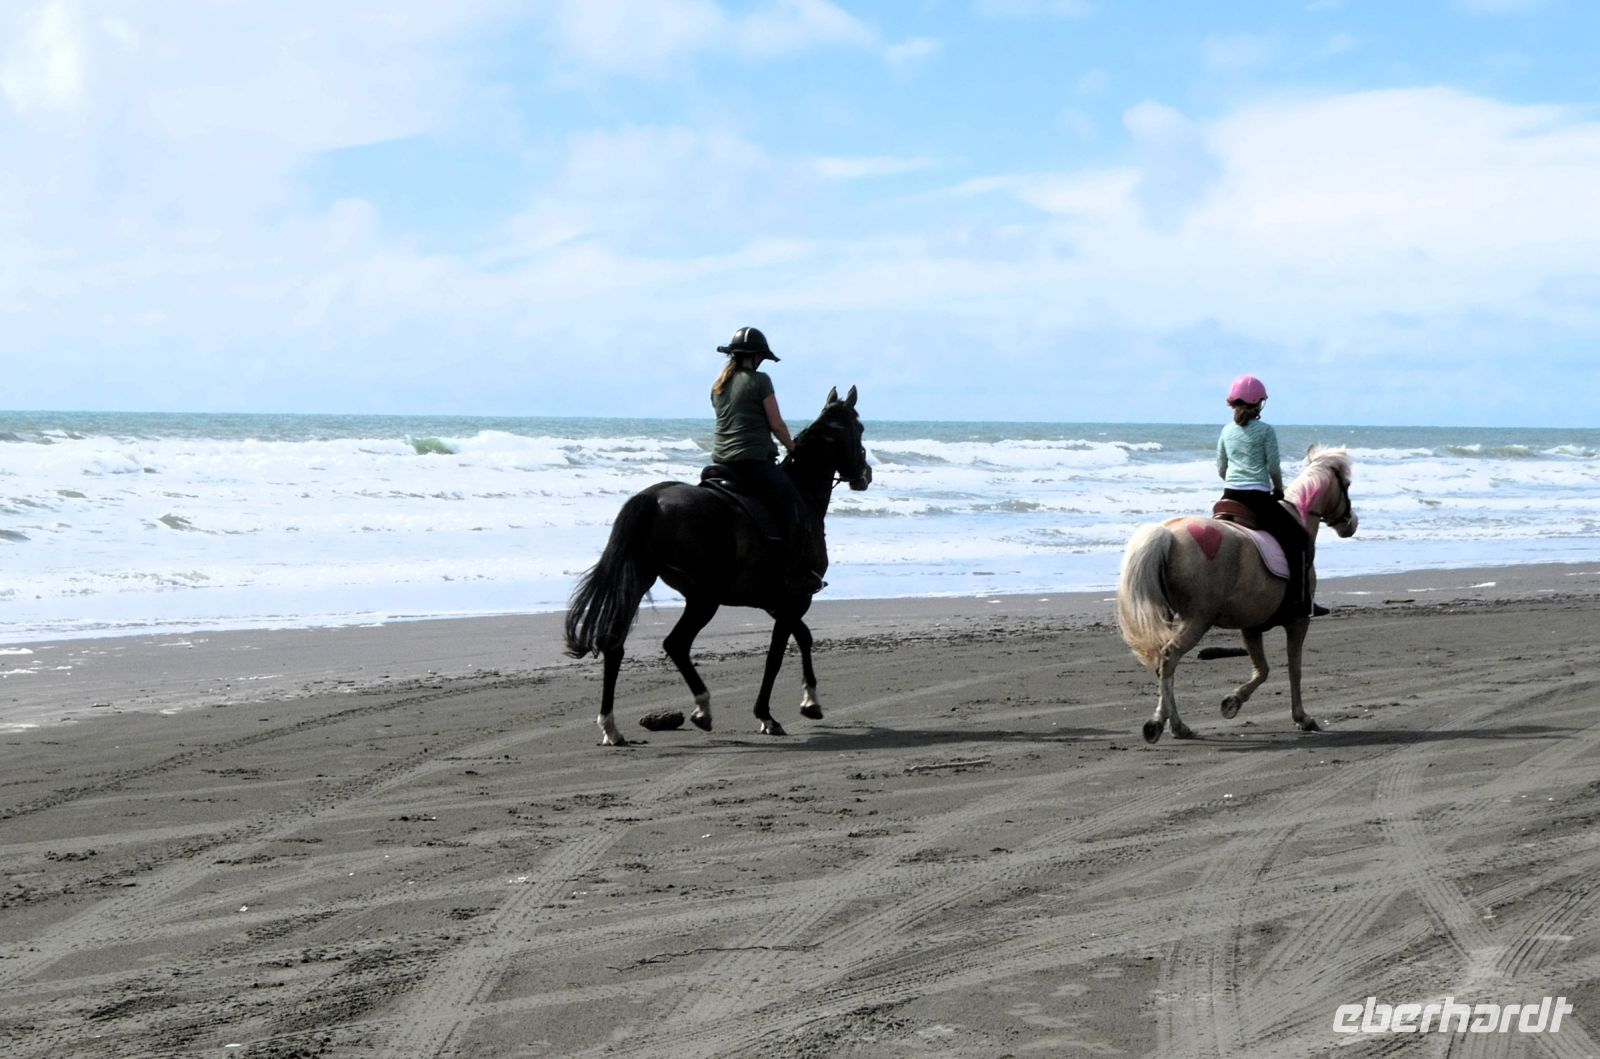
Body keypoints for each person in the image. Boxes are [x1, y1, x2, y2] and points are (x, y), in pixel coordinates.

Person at [709, 326, 825, 594]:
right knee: (795, 507)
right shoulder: (760, 381)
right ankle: (794, 573)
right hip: (752, 462)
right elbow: (777, 425)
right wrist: (793, 448)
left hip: (720, 463)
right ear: (756, 357)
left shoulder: (718, 386)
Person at [1216, 374, 1323, 620]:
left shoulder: (1226, 431)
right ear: (1259, 403)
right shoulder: (1265, 431)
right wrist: (1278, 489)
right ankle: (1300, 601)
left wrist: (1233, 483)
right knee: (1300, 540)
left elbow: (1221, 467)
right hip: (1257, 498)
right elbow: (1273, 466)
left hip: (1228, 496)